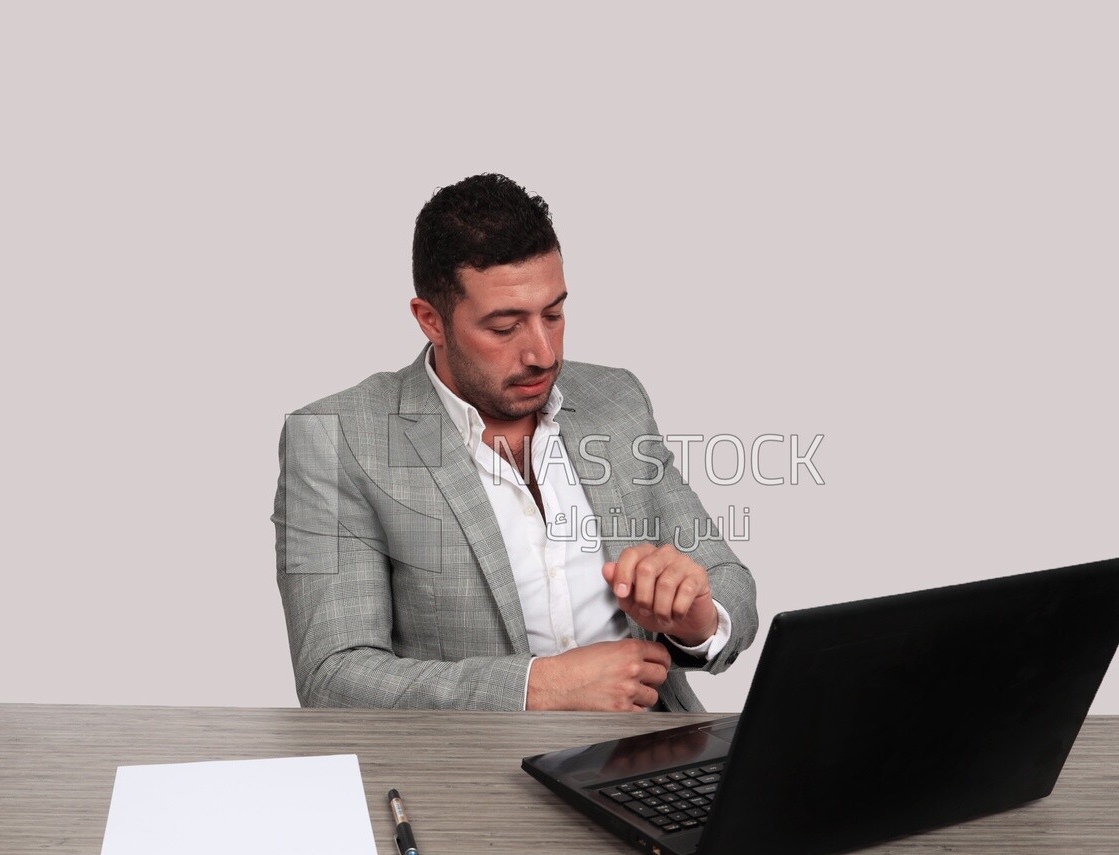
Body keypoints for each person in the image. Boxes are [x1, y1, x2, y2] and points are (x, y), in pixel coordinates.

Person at [273, 174, 757, 711]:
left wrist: (697, 620)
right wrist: (537, 688)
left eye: (553, 314)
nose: (543, 353)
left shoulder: (616, 400)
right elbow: (333, 675)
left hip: (650, 760)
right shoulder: (333, 439)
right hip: (477, 777)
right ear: (431, 320)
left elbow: (728, 579)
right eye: (505, 327)